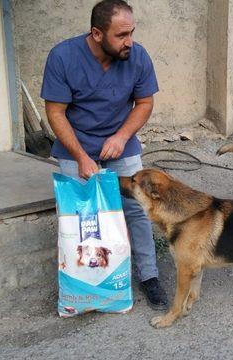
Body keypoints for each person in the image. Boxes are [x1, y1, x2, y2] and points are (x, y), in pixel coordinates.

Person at [41, 0, 168, 310]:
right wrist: (82, 156)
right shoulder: (63, 57)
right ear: (97, 34)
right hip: (76, 145)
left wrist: (122, 136)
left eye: (132, 32)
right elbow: (55, 112)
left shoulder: (137, 57)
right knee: (80, 216)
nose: (130, 41)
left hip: (120, 144)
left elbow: (144, 103)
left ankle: (149, 274)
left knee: (137, 209)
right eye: (121, 35)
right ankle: (86, 280)